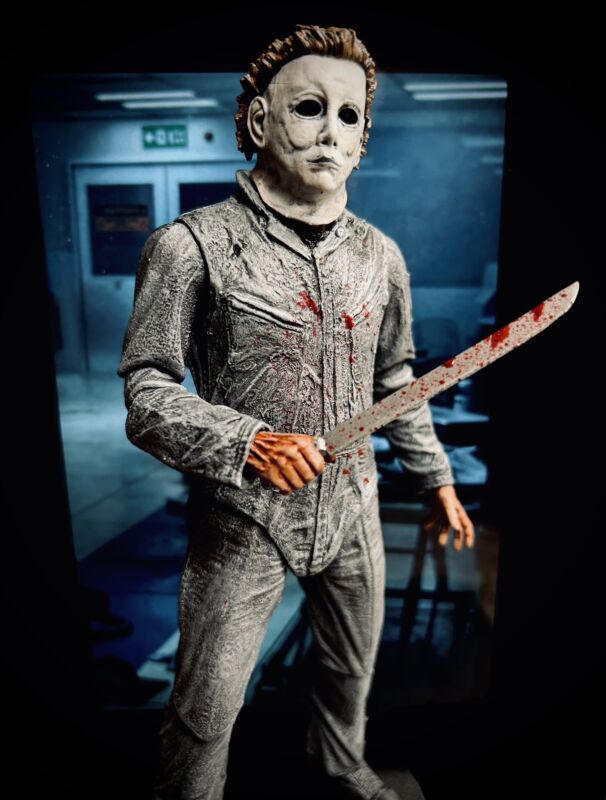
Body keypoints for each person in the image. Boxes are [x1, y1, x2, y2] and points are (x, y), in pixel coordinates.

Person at [117, 23, 475, 800]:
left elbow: (396, 379)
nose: (331, 132)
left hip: (352, 501)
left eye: (350, 116)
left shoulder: (380, 256)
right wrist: (248, 442)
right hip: (242, 518)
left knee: (351, 671)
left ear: (365, 139)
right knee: (208, 705)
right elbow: (147, 393)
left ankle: (340, 764)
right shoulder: (192, 246)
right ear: (259, 121)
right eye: (310, 108)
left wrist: (437, 479)